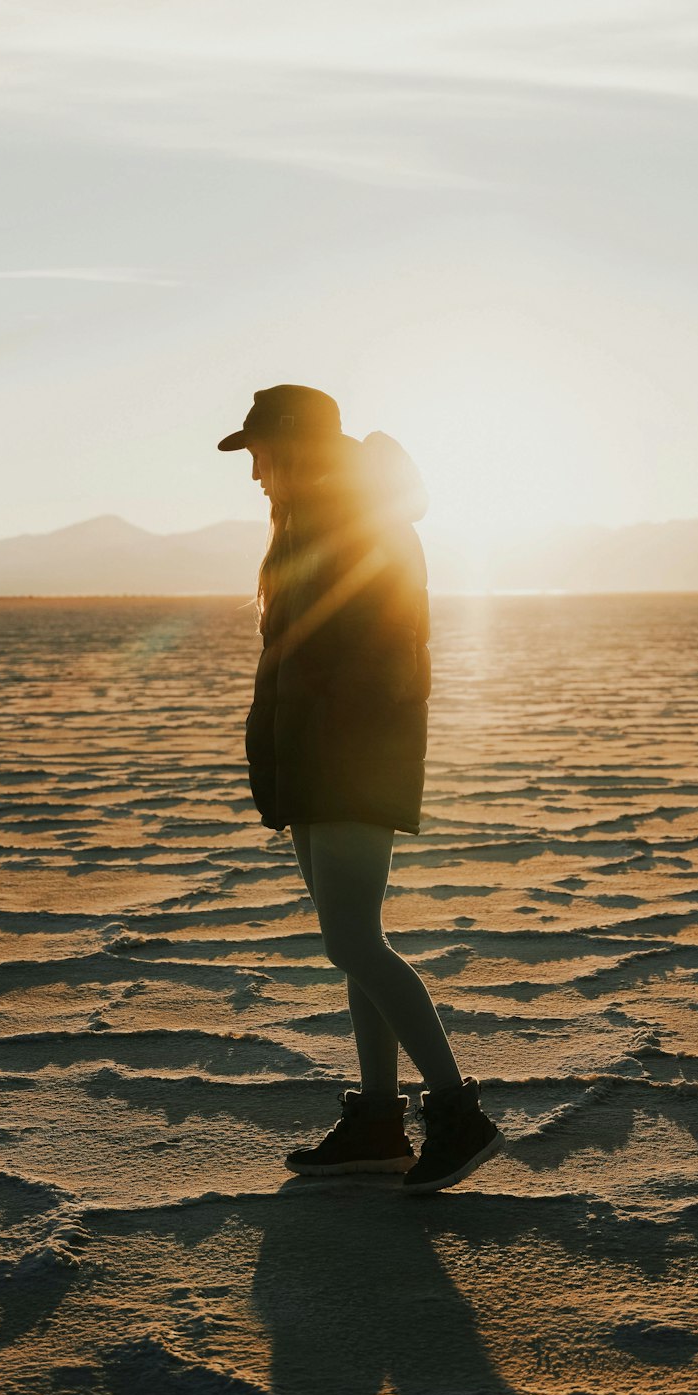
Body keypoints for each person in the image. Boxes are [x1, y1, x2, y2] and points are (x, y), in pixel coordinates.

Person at [217, 383, 504, 1193]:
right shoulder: (311, 525)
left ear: (296, 448)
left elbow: (378, 657)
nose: (255, 475)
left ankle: (456, 1110)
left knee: (352, 940)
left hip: (350, 758)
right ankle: (380, 1120)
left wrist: (335, 750)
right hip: (318, 759)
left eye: (261, 455)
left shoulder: (360, 524)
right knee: (355, 937)